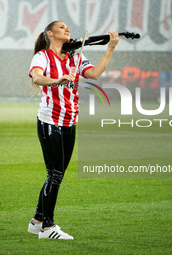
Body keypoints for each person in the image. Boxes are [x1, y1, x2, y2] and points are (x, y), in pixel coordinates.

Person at [28, 21, 119, 240]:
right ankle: (47, 228)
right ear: (50, 33)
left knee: (57, 175)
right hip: (50, 120)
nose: (67, 30)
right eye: (61, 28)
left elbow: (94, 73)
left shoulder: (75, 57)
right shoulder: (42, 56)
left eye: (67, 28)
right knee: (55, 174)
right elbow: (37, 77)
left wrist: (110, 48)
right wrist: (56, 80)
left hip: (70, 121)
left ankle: (37, 220)